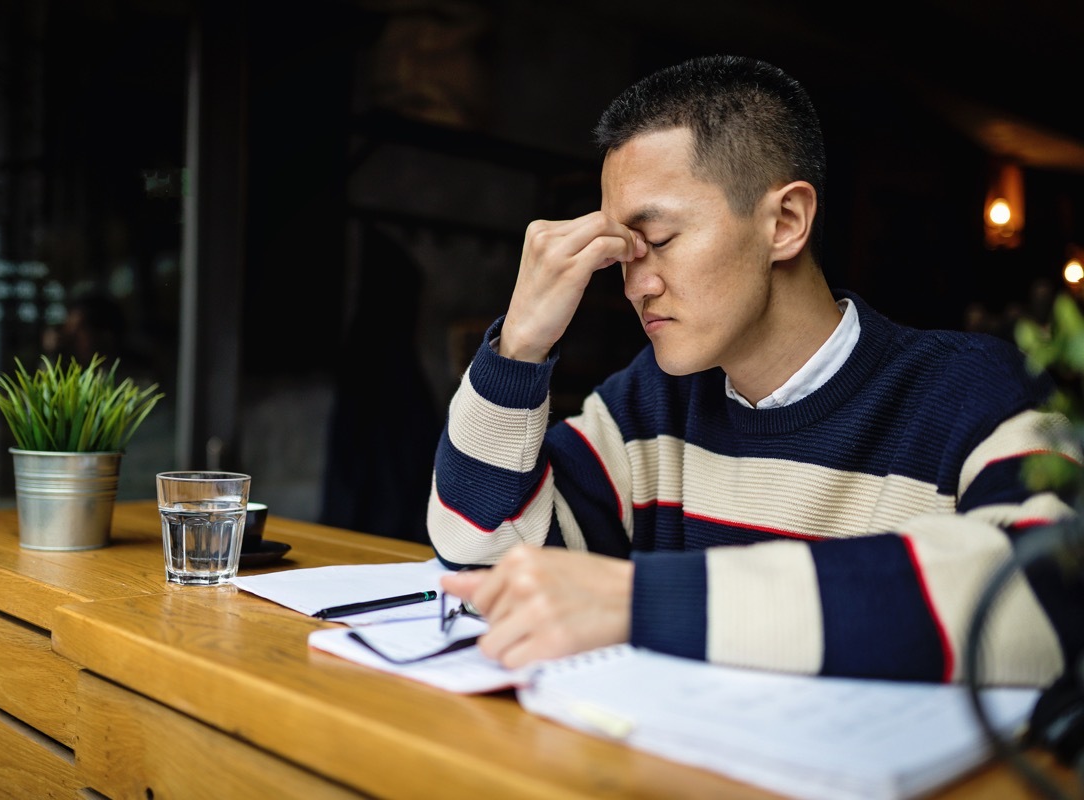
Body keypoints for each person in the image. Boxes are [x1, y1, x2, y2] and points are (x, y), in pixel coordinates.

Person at [428, 54, 1082, 686]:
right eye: (623, 253)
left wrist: (644, 604)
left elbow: (1048, 593)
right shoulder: (647, 406)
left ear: (787, 222)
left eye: (656, 241)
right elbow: (486, 560)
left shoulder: (978, 393)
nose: (635, 285)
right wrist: (518, 348)